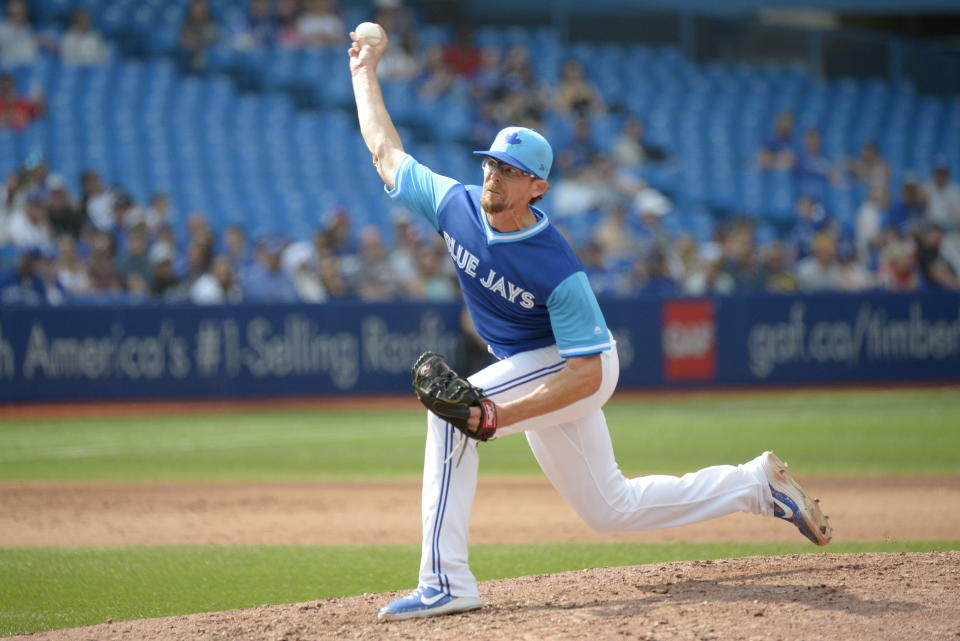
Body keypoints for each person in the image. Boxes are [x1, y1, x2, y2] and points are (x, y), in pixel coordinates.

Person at [348, 23, 833, 622]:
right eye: (492, 163)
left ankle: (446, 582)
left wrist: (492, 415)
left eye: (510, 170)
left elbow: (583, 373)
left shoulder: (556, 265)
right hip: (533, 366)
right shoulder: (455, 205)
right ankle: (754, 484)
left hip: (583, 367)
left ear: (538, 186)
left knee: (453, 414)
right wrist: (363, 71)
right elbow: (384, 150)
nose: (494, 176)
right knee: (611, 508)